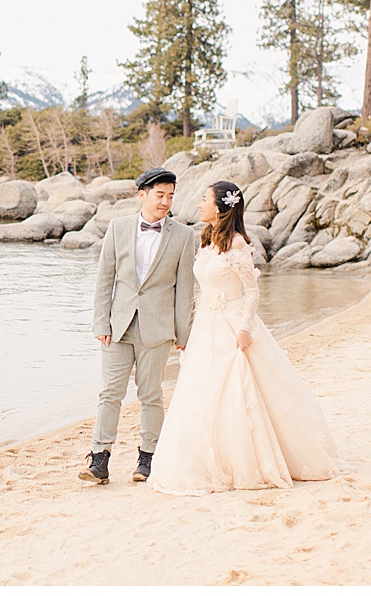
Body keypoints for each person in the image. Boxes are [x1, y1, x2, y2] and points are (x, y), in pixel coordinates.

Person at [149, 181, 350, 496]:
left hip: (231, 323)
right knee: (201, 391)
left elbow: (252, 292)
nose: (199, 204)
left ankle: (247, 460)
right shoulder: (204, 240)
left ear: (220, 207)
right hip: (205, 324)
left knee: (237, 390)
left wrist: (244, 329)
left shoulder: (238, 244)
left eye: (204, 200)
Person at [81, 167, 198, 485]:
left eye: (170, 196)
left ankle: (148, 457)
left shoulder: (185, 236)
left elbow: (185, 288)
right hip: (117, 325)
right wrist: (100, 321)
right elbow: (105, 278)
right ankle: (99, 459)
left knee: (151, 394)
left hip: (158, 329)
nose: (165, 202)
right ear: (142, 195)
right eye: (159, 195)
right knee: (110, 392)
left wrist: (182, 333)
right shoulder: (118, 228)